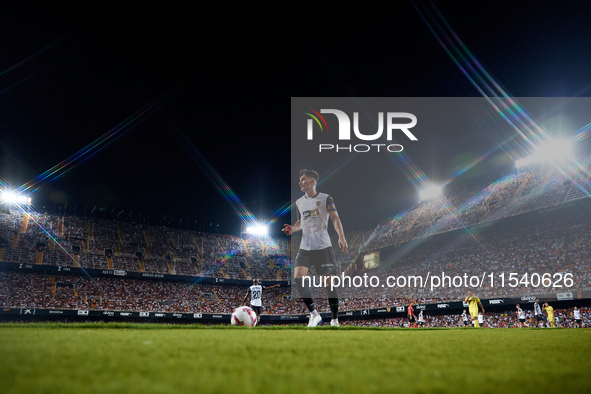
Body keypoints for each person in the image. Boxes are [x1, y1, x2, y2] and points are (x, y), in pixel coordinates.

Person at [282, 169, 348, 327]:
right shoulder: (299, 202)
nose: (300, 182)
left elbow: (335, 218)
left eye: (303, 179)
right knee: (298, 276)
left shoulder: (326, 198)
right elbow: (301, 222)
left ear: (312, 181)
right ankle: (314, 315)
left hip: (323, 247)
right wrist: (293, 228)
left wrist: (341, 236)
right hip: (305, 247)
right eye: (300, 179)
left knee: (329, 284)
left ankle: (334, 320)